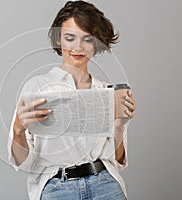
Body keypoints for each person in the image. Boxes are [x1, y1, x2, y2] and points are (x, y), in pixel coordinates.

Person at [8, 1, 136, 199]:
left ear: (96, 43)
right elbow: (24, 163)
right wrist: (18, 130)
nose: (78, 47)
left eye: (87, 39)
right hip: (57, 188)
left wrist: (119, 126)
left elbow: (117, 161)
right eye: (70, 38)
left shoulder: (104, 90)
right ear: (59, 40)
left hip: (105, 185)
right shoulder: (37, 87)